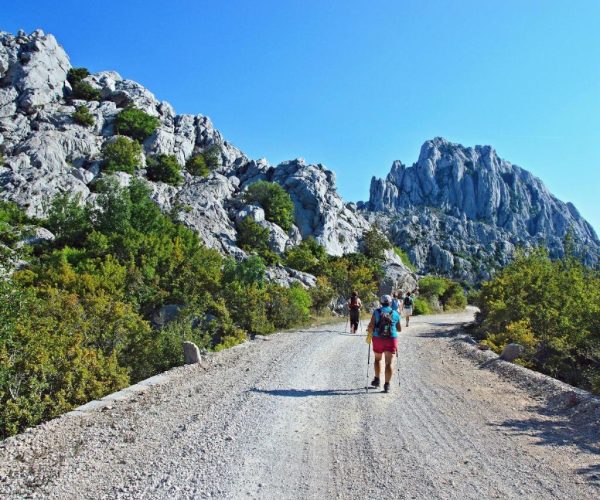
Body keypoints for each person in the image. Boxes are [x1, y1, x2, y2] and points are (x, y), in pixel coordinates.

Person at [366, 294, 401, 393]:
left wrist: (369, 330)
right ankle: (387, 385)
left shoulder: (377, 312)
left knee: (377, 359)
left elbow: (371, 326)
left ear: (381, 302)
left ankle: (377, 380)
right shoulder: (395, 313)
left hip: (378, 338)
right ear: (390, 302)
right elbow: (399, 329)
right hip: (391, 339)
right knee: (389, 363)